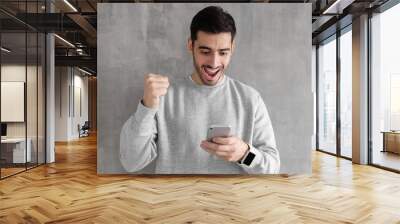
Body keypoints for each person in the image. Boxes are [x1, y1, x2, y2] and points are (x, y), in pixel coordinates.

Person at [120, 6, 280, 174]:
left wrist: (244, 154)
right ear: (191, 45)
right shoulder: (163, 97)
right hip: (174, 199)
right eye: (205, 51)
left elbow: (272, 167)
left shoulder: (251, 99)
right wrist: (146, 107)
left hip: (231, 200)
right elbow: (131, 162)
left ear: (232, 48)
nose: (214, 63)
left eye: (223, 53)